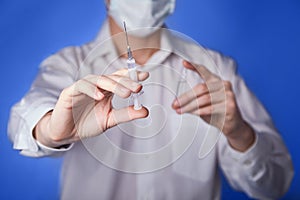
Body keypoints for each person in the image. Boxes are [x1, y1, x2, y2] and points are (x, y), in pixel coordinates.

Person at [8, 0, 294, 199]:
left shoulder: (213, 70)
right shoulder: (71, 65)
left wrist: (240, 133)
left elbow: (275, 186)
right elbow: (22, 119)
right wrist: (50, 130)